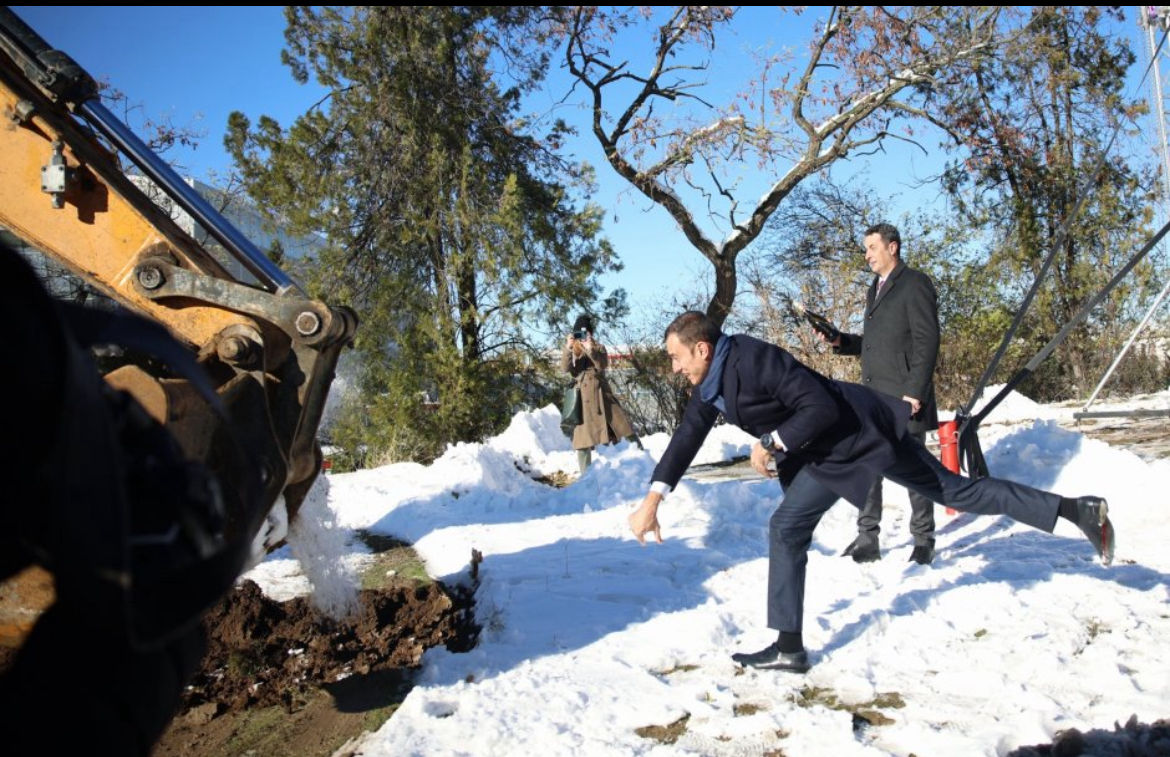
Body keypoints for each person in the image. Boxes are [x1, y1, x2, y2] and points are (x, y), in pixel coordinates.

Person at [627, 310, 1115, 673]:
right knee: (952, 491)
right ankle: (1078, 511)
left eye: (675, 357)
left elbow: (818, 406)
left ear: (701, 349)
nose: (674, 368)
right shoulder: (712, 383)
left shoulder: (755, 359)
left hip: (850, 438)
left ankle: (789, 649)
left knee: (790, 527)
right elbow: (686, 436)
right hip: (838, 443)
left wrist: (772, 442)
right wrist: (653, 499)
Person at [824, 223, 940, 565]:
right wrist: (841, 341)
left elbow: (927, 341)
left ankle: (924, 539)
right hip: (873, 397)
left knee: (915, 469)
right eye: (866, 249)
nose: (867, 255)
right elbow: (875, 345)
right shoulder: (874, 288)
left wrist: (915, 392)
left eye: (872, 247)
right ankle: (867, 538)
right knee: (868, 467)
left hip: (904, 397)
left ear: (893, 247)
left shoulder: (915, 283)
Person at [561, 314, 639, 474]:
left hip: (602, 396)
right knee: (582, 442)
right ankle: (585, 477)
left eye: (584, 333)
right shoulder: (573, 350)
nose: (581, 336)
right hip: (582, 401)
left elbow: (601, 364)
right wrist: (568, 348)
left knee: (624, 428)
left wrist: (590, 348)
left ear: (590, 333)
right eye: (578, 333)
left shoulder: (599, 348)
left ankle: (642, 459)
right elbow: (564, 368)